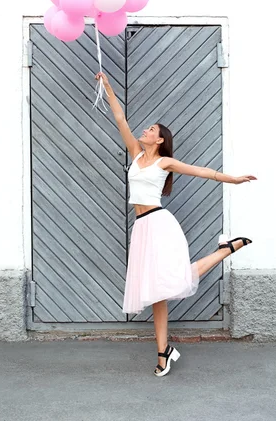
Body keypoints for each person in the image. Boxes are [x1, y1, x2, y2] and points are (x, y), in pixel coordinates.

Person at [95, 72, 257, 377]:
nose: (144, 130)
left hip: (159, 223)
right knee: (157, 291)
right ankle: (163, 352)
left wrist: (233, 179)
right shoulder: (135, 154)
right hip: (141, 227)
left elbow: (203, 172)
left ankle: (224, 251)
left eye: (151, 129)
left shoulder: (163, 162)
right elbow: (120, 119)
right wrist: (107, 87)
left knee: (172, 280)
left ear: (160, 140)